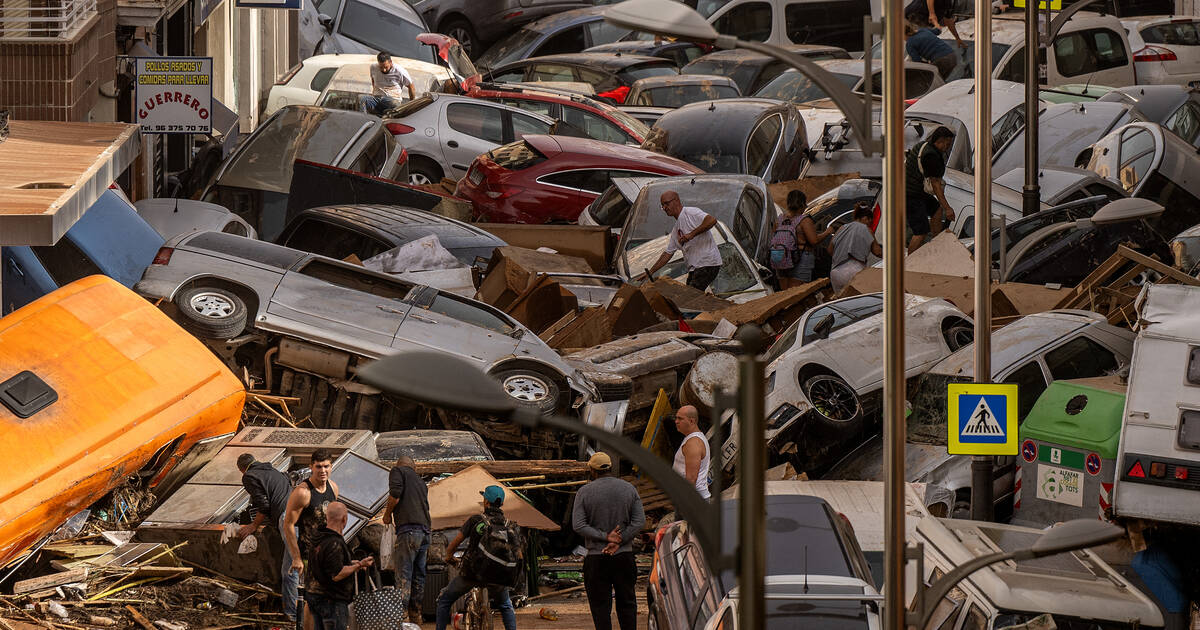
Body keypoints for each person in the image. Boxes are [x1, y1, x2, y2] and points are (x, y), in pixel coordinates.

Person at [572, 453, 645, 630]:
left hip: (597, 558)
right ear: (611, 467)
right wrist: (620, 540)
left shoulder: (584, 492)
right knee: (627, 603)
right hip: (624, 557)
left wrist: (606, 537)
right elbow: (639, 521)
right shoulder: (629, 489)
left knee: (600, 608)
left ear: (592, 470)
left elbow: (578, 525)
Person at [436, 486, 518, 630]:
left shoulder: (476, 520)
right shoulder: (510, 525)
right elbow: (519, 555)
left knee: (444, 600)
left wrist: (449, 557)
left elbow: (453, 545)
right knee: (505, 605)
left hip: (472, 574)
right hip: (498, 576)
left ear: (486, 501)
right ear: (502, 504)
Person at [236, 454, 297, 621]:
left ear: (242, 469)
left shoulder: (249, 476)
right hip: (297, 513)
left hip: (287, 518)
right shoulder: (274, 470)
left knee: (290, 570)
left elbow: (263, 504)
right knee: (295, 564)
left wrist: (253, 526)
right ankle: (297, 612)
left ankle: (293, 615)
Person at [284, 448, 339, 628]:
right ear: (311, 467)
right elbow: (288, 524)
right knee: (313, 601)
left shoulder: (333, 487)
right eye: (318, 467)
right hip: (310, 555)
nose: (322, 471)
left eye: (326, 466)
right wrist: (297, 557)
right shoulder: (303, 492)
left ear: (331, 467)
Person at [306, 501, 374, 630]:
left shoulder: (319, 537)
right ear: (345, 519)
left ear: (327, 517)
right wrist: (359, 564)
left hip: (315, 596)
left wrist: (356, 565)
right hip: (331, 601)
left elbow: (327, 564)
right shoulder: (334, 543)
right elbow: (337, 574)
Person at [642, 191, 723, 291]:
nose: (665, 208)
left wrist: (691, 234)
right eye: (662, 205)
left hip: (707, 263)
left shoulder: (691, 212)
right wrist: (651, 271)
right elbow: (667, 253)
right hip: (695, 268)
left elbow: (712, 220)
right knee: (688, 296)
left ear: (676, 201)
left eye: (667, 203)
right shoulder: (676, 229)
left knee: (690, 296)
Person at [382, 454, 430, 622]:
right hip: (425, 533)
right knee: (419, 575)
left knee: (404, 574)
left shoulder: (397, 471)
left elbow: (395, 494)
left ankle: (402, 617)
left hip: (408, 531)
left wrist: (387, 515)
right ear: (414, 467)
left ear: (400, 465)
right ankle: (416, 615)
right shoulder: (421, 482)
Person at [771, 189, 836, 289]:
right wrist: (827, 232)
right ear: (802, 204)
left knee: (783, 294)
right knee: (795, 294)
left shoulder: (780, 219)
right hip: (801, 258)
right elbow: (814, 241)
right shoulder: (804, 220)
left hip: (780, 257)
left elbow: (774, 238)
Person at [905, 125, 956, 253]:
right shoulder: (930, 156)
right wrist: (948, 208)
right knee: (921, 231)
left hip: (914, 190)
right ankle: (909, 263)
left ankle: (937, 243)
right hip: (911, 194)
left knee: (936, 209)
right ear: (940, 141)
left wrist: (942, 207)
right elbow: (935, 184)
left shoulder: (923, 145)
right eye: (948, 144)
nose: (948, 147)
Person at [828, 202, 883, 293]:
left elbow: (830, 250)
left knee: (842, 303)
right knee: (859, 301)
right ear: (865, 218)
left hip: (835, 273)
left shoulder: (842, 228)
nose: (870, 224)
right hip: (855, 271)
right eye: (870, 221)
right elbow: (878, 252)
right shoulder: (866, 229)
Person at [671, 406, 712, 500]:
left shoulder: (693, 443)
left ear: (692, 421)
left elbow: (691, 479)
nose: (676, 421)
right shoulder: (692, 438)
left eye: (680, 419)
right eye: (676, 418)